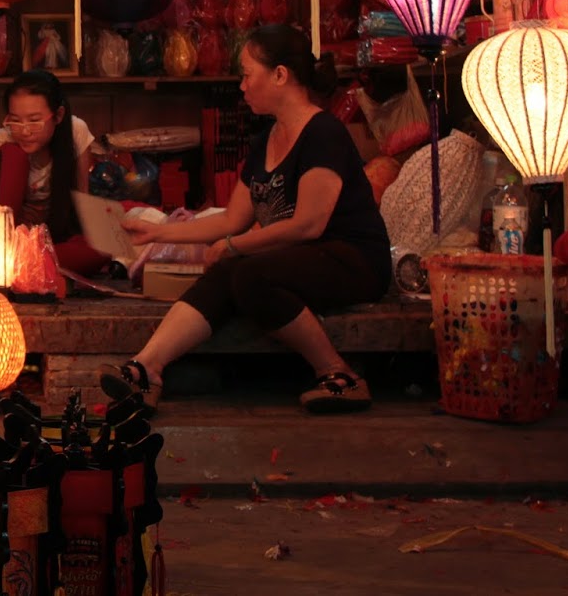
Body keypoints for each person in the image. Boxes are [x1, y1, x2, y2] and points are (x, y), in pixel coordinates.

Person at [102, 25, 392, 413]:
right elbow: (231, 220)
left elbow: (310, 224)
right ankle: (145, 369)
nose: (241, 86)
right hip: (299, 258)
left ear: (280, 75)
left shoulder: (324, 132)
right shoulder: (265, 141)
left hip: (352, 259)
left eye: (246, 73)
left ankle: (339, 375)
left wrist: (234, 247)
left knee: (248, 271)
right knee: (227, 272)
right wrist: (157, 232)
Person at [0, 70, 107, 275]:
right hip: (10, 237)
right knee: (11, 154)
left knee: (103, 248)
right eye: (15, 120)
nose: (24, 131)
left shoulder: (75, 131)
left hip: (55, 237)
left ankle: (24, 263)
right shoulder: (2, 143)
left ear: (58, 115)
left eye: (34, 120)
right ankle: (20, 261)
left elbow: (82, 198)